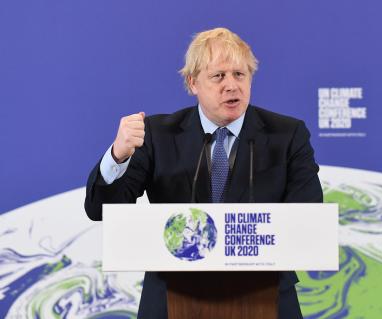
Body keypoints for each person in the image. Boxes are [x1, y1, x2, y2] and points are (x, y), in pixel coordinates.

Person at [85, 27, 323, 319]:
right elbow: (101, 210)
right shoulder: (158, 135)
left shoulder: (286, 135)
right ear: (193, 82)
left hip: (264, 298)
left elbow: (307, 218)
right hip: (173, 298)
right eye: (218, 76)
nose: (232, 86)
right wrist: (117, 155)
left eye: (240, 74)